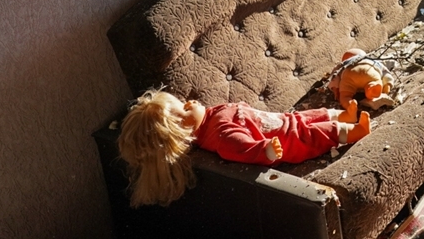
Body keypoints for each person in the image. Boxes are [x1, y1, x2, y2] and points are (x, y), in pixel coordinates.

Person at [117, 88, 370, 207]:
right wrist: (266, 150)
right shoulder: (220, 136)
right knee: (312, 133)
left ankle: (342, 116)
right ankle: (350, 132)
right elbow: (243, 149)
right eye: (185, 108)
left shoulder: (210, 117)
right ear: (183, 131)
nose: (190, 101)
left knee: (306, 117)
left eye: (183, 101)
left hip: (280, 121)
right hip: (286, 140)